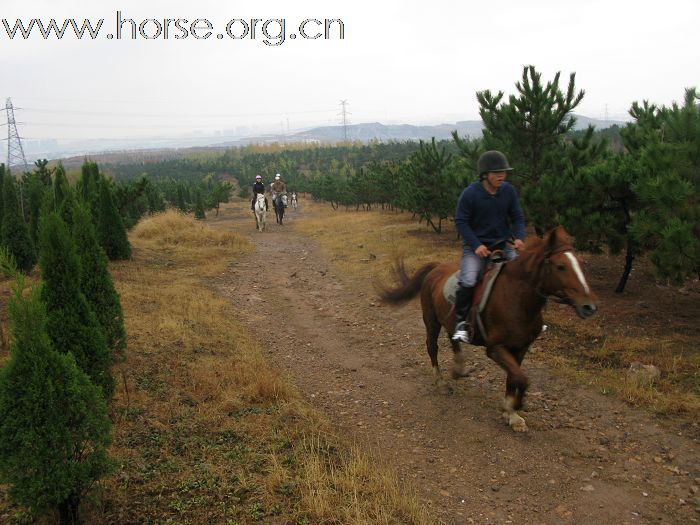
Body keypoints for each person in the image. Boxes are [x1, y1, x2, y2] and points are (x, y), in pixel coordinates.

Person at [452, 150, 526, 343]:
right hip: (476, 248)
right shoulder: (470, 194)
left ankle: (527, 318)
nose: (502, 176)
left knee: (525, 274)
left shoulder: (508, 191)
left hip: (503, 245)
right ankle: (461, 324)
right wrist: (476, 245)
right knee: (468, 279)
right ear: (485, 174)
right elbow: (461, 221)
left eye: (504, 172)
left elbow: (517, 217)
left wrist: (518, 237)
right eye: (497, 172)